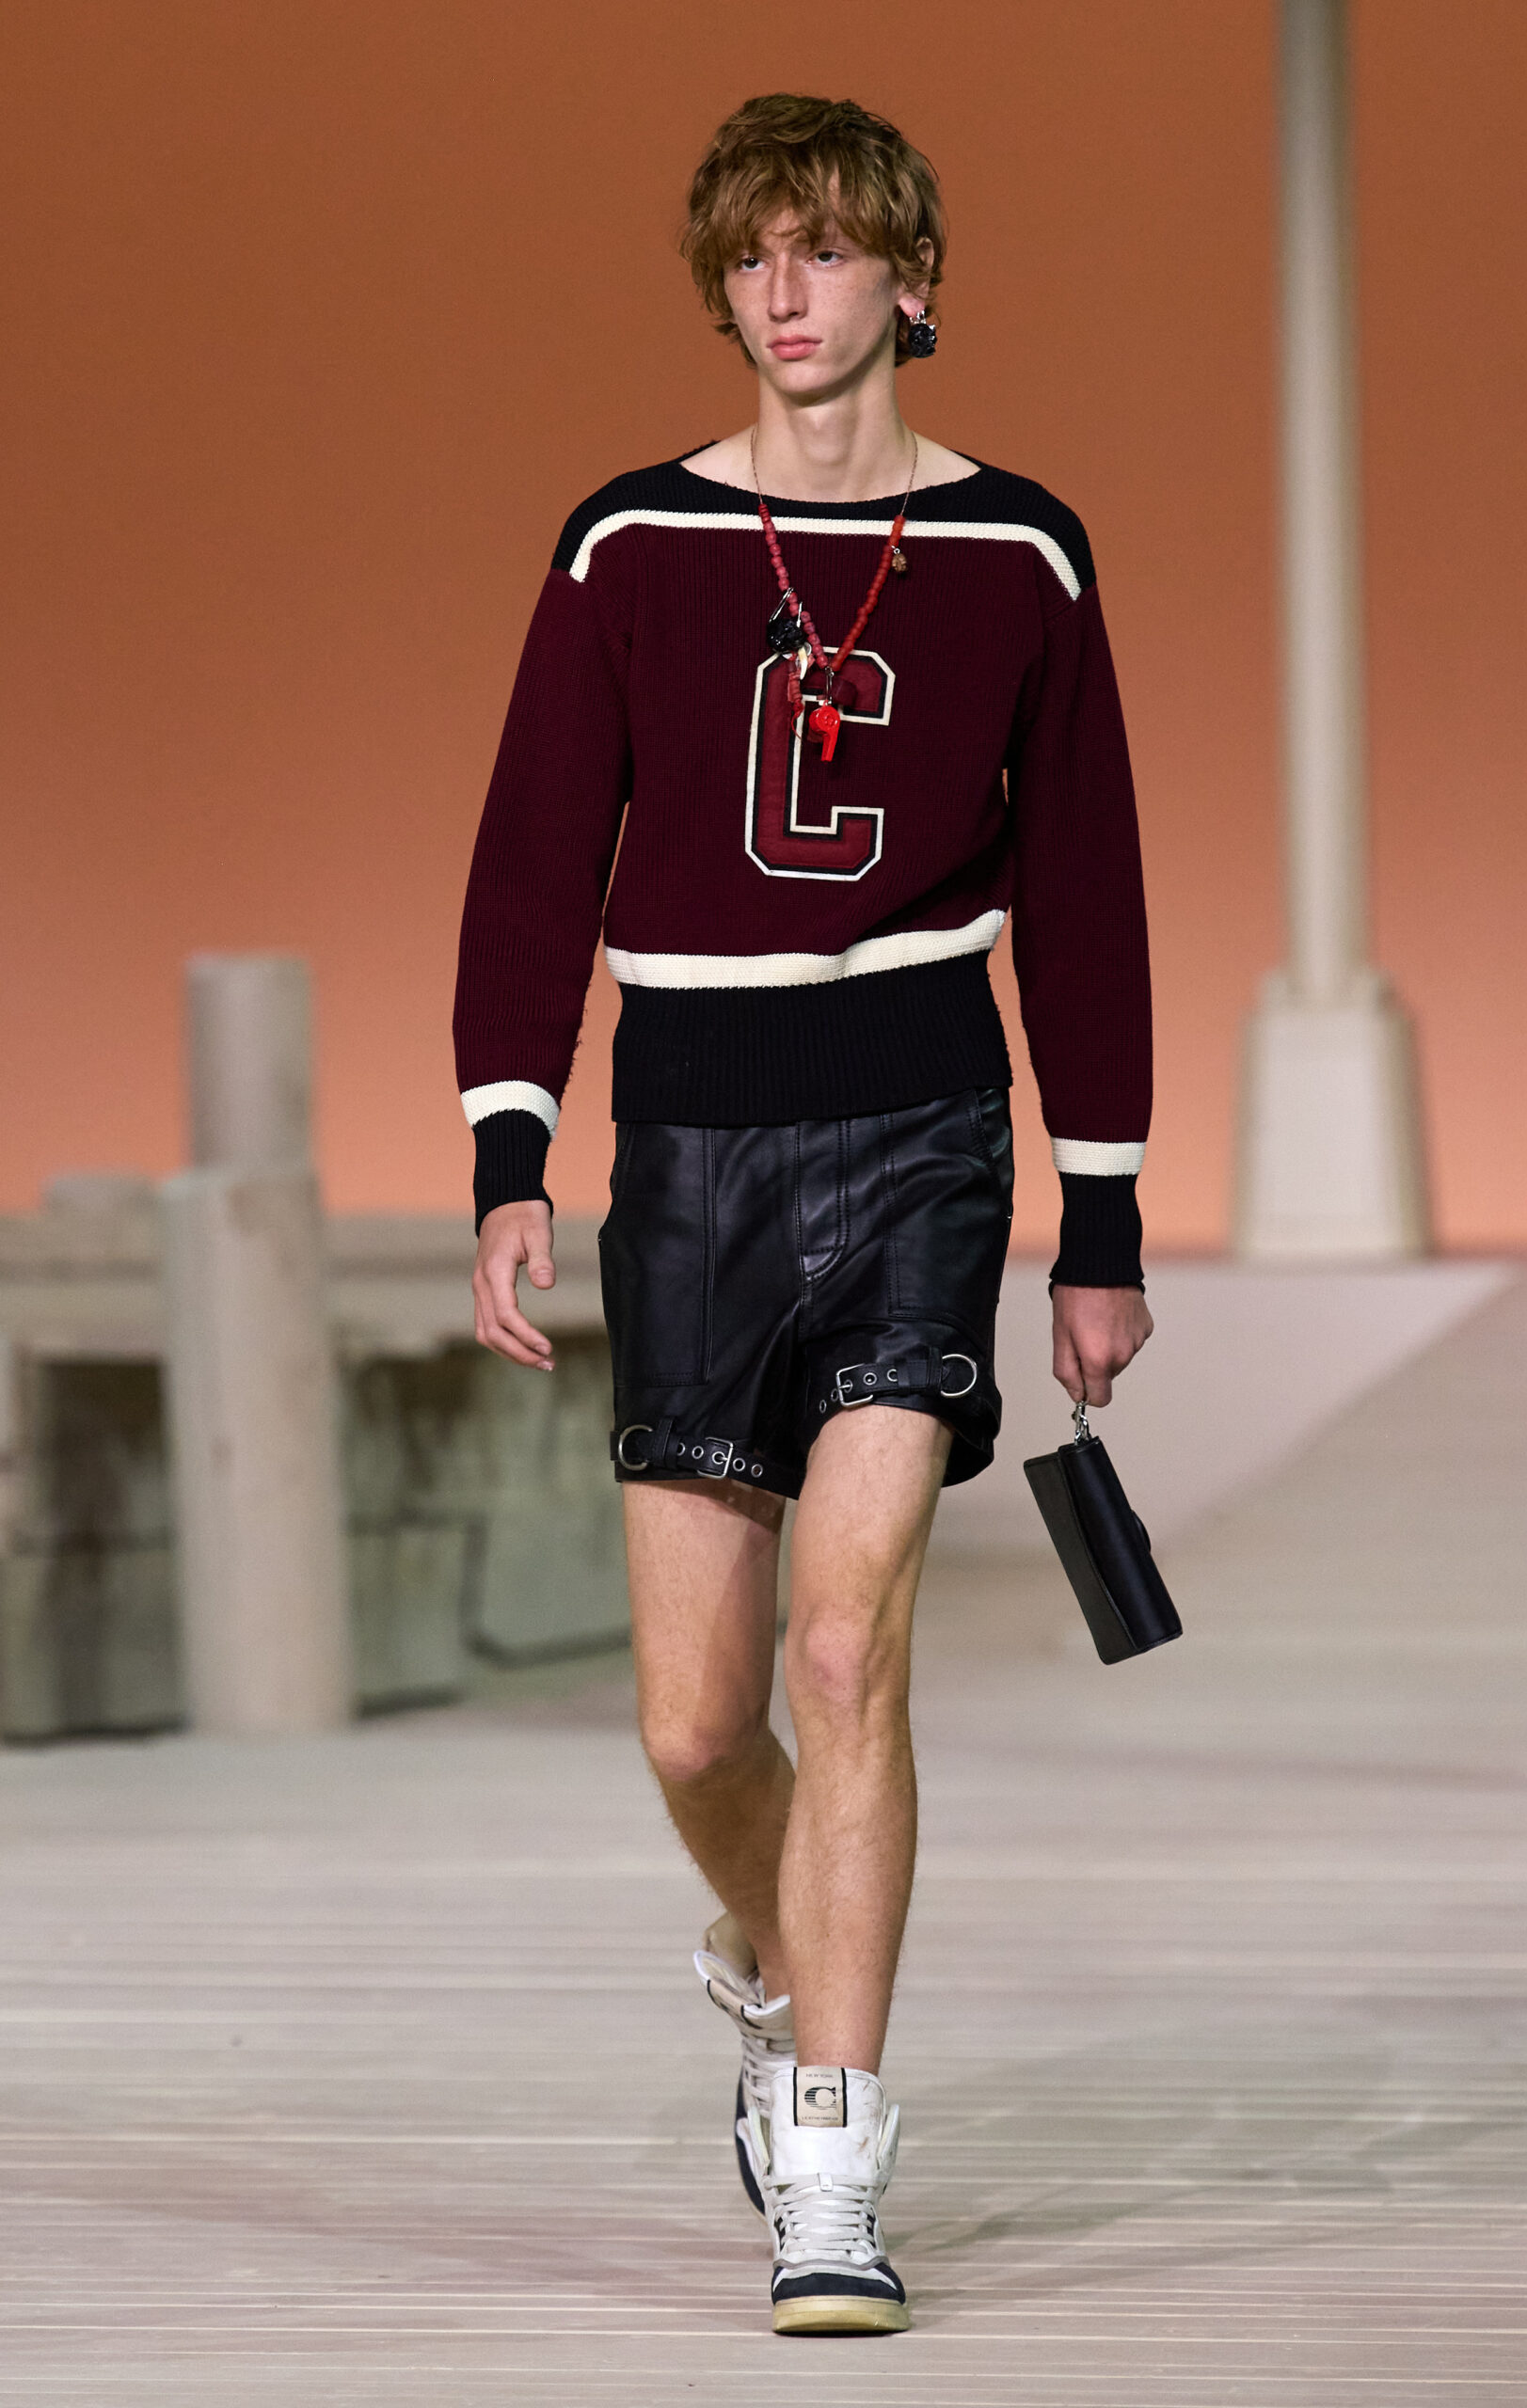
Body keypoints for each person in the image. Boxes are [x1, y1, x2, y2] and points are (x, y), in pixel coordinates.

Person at [453, 92, 1153, 2337]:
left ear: (908, 282)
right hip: (688, 1144)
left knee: (846, 1648)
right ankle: (780, 1952)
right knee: (692, 1720)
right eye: (753, 252)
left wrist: (1102, 1215)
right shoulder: (630, 542)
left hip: (921, 1126)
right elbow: (532, 852)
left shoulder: (1020, 555)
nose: (786, 289)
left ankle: (829, 2151)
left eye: (829, 248)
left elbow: (1085, 889)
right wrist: (507, 1151)